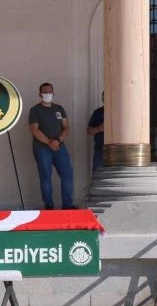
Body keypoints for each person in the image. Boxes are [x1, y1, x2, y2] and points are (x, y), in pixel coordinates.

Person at [29, 82, 75, 210]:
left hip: (60, 147)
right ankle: (49, 206)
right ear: (40, 94)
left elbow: (66, 127)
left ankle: (67, 205)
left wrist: (58, 140)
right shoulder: (35, 110)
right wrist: (49, 142)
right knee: (46, 177)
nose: (48, 94)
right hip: (42, 148)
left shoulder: (59, 109)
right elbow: (34, 130)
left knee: (67, 175)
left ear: (53, 93)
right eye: (45, 91)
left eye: (50, 91)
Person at [86, 92, 104, 173]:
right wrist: (99, 128)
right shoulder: (98, 113)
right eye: (104, 98)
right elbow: (89, 131)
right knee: (97, 175)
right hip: (100, 150)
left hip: (117, 151)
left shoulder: (121, 112)